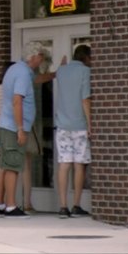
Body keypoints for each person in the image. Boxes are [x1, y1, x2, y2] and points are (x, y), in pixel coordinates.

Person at [0, 42, 48, 218]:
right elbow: (17, 100)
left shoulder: (17, 70)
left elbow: (38, 79)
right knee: (12, 166)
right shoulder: (23, 74)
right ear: (33, 57)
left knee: (7, 164)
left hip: (6, 125)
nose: (42, 60)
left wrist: (57, 74)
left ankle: (2, 204)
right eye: (41, 56)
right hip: (13, 127)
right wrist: (20, 128)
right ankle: (11, 206)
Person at [54, 44, 93, 218]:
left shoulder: (61, 71)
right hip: (79, 125)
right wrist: (90, 123)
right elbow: (85, 99)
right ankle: (76, 205)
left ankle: (63, 206)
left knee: (64, 164)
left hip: (62, 126)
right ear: (87, 58)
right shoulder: (85, 72)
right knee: (79, 165)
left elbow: (59, 72)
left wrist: (62, 65)